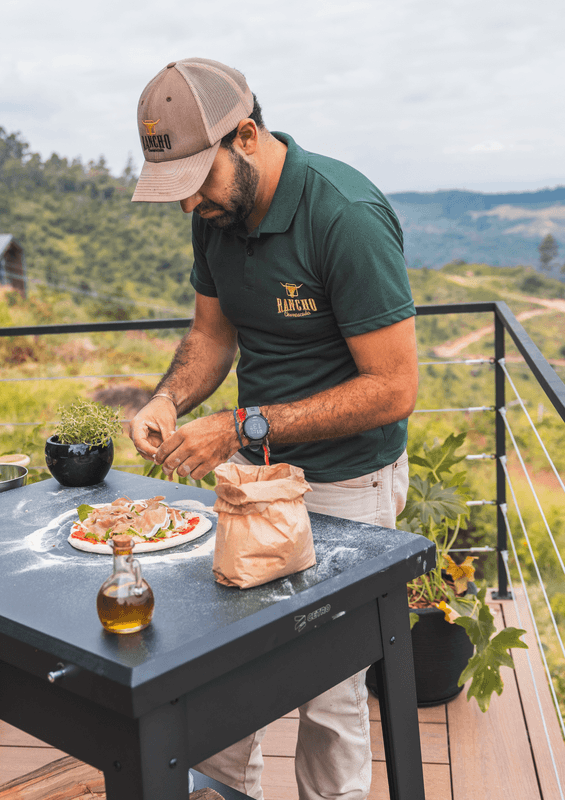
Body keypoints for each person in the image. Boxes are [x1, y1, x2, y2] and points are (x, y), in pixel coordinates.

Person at [128, 58, 418, 800]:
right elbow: (212, 339)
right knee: (222, 661)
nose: (190, 203)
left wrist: (244, 423)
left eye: (199, 179)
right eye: (177, 188)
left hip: (349, 479)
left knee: (329, 689)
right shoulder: (216, 217)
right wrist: (168, 403)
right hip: (255, 475)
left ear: (247, 136)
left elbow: (394, 388)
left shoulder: (344, 215)